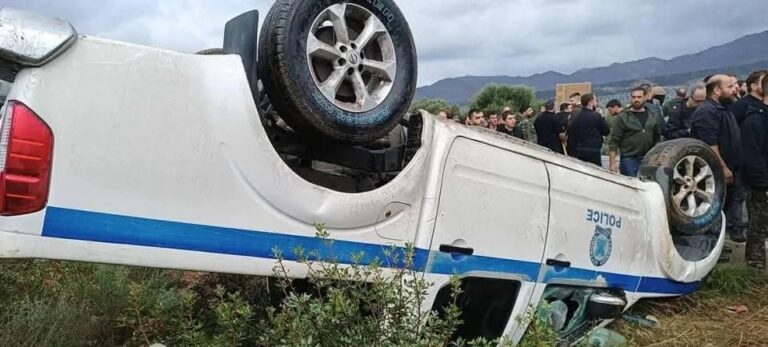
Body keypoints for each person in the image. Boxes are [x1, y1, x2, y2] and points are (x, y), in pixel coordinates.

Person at [691, 74, 744, 243]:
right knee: (712, 210)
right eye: (730, 87)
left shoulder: (724, 108)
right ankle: (707, 245)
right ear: (717, 90)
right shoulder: (707, 111)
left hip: (732, 167)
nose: (734, 90)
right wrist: (722, 168)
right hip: (713, 173)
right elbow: (709, 143)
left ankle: (719, 242)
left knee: (726, 208)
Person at [740, 75, 768, 271]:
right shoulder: (755, 121)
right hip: (761, 184)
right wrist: (763, 184)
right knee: (759, 224)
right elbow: (752, 157)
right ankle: (755, 266)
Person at [608, 88, 662, 176]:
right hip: (629, 159)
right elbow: (614, 141)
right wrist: (612, 164)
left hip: (648, 158)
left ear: (645, 98)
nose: (636, 99)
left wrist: (656, 157)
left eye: (639, 97)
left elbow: (657, 138)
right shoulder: (623, 117)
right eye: (633, 97)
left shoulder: (652, 115)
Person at [567, 93, 609, 166]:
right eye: (595, 100)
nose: (596, 103)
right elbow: (606, 131)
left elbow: (572, 131)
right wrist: (602, 117)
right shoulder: (597, 116)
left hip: (579, 149)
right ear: (591, 102)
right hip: (593, 149)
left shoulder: (577, 116)